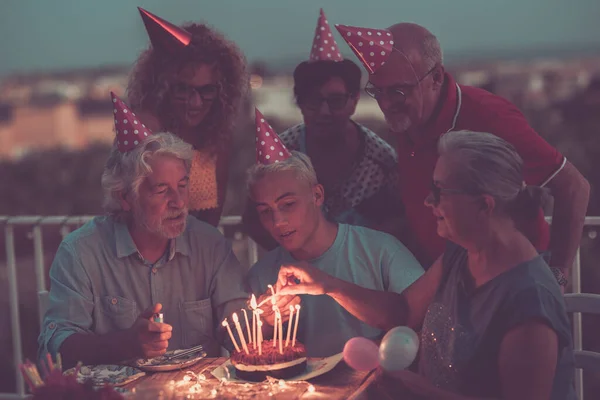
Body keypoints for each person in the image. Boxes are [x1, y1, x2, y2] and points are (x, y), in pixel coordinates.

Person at [277, 130, 575, 400]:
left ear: (485, 205)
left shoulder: (529, 303)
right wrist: (327, 284)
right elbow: (403, 311)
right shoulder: (461, 254)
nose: (428, 202)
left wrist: (414, 388)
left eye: (440, 190)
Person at [335, 22, 590, 288]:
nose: (385, 104)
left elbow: (574, 186)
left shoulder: (489, 118)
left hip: (510, 286)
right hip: (450, 283)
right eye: (378, 91)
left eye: (398, 91)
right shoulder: (409, 117)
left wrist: (558, 276)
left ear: (436, 78)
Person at [38, 94, 248, 368]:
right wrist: (125, 344)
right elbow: (55, 349)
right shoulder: (81, 252)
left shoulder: (210, 245)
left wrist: (263, 320)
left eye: (182, 186)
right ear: (125, 196)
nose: (179, 202)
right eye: (162, 190)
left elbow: (240, 328)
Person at [245, 110, 424, 357]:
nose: (278, 221)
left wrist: (329, 285)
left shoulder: (380, 250)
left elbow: (415, 315)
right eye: (265, 211)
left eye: (288, 204)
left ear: (317, 196)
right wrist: (266, 322)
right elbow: (247, 351)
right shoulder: (263, 275)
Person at [243, 9, 403, 251]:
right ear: (299, 103)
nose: (324, 111)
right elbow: (252, 219)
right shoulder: (281, 153)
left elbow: (399, 223)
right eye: (313, 101)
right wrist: (290, 254)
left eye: (336, 100)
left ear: (355, 100)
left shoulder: (381, 159)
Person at [127, 8, 248, 227]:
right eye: (183, 89)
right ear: (162, 86)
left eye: (207, 90)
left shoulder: (218, 138)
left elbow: (211, 222)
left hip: (197, 257)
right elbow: (129, 211)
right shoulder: (146, 131)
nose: (195, 103)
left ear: (221, 92)